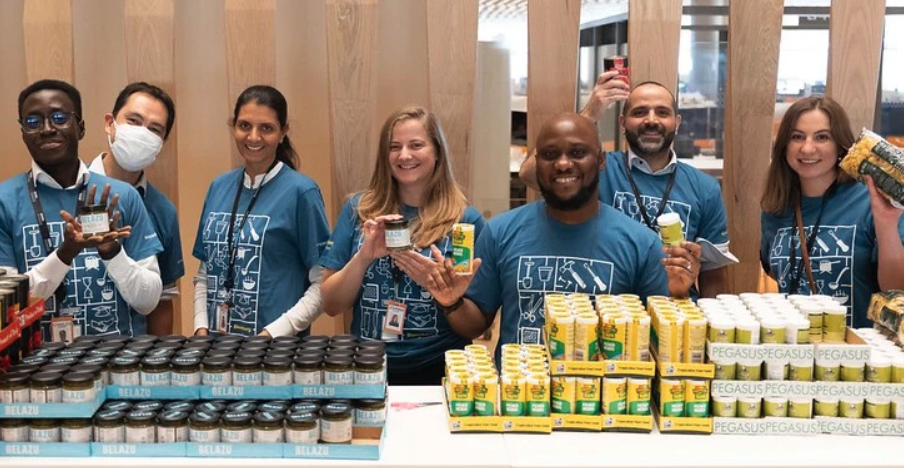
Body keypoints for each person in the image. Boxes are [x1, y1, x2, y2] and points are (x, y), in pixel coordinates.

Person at [419, 113, 670, 358]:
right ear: (536, 162)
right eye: (550, 155)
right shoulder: (500, 232)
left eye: (578, 153)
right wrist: (451, 303)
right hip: (519, 393)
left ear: (601, 160)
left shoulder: (641, 243)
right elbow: (475, 325)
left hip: (604, 398)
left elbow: (660, 341)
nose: (562, 164)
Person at [0, 79, 163, 338]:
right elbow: (0, 308)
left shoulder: (123, 197)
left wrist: (112, 251)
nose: (47, 129)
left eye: (60, 118)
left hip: (118, 365)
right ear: (22, 132)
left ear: (81, 127)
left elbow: (148, 301)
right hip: (34, 368)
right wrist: (65, 254)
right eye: (33, 122)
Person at [519, 74, 732, 298]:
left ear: (677, 123)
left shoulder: (704, 188)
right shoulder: (597, 169)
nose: (651, 120)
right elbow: (529, 174)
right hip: (605, 310)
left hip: (674, 312)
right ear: (622, 123)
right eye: (639, 112)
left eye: (662, 112)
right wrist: (590, 113)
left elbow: (714, 275)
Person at [320, 106, 486, 385]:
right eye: (394, 147)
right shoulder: (358, 210)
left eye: (416, 145)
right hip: (366, 365)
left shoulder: (464, 222)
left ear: (437, 153)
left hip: (439, 368)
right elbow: (332, 304)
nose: (404, 155)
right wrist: (364, 256)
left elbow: (478, 324)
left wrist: (447, 297)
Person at [760, 95, 904, 328]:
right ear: (784, 146)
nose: (807, 147)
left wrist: (885, 223)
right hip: (797, 353)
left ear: (841, 145)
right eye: (797, 137)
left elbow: (898, 292)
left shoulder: (876, 201)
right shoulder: (776, 207)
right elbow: (777, 273)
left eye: (822, 137)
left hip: (865, 354)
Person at [192, 85, 329, 337]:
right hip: (216, 353)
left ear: (283, 132)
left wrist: (272, 334)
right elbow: (204, 273)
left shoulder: (302, 193)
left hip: (276, 355)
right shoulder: (218, 187)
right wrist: (200, 327)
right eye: (245, 125)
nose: (253, 137)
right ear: (233, 126)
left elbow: (322, 283)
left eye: (266, 128)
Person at [89, 82, 184, 335]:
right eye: (133, 121)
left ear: (161, 143)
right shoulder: (71, 193)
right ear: (110, 123)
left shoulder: (163, 210)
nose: (142, 133)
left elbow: (163, 301)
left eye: (154, 129)